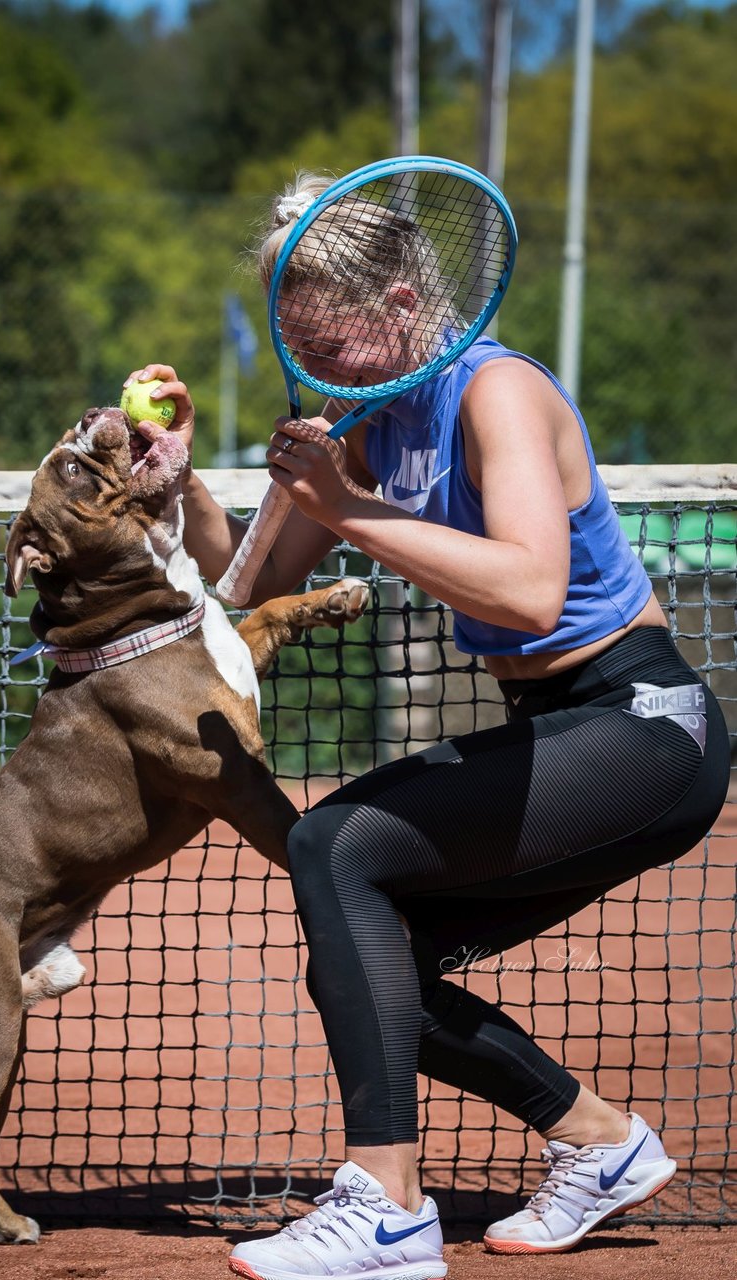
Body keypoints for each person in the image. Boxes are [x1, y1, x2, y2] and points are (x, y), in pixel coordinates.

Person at [125, 170, 730, 1280]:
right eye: (293, 341)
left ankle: (387, 1208)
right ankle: (600, 1142)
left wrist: (347, 507)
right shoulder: (367, 422)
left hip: (643, 724)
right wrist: (180, 489)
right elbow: (243, 583)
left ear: (401, 305)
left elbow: (530, 593)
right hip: (557, 725)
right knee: (368, 959)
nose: (315, 368)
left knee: (331, 839)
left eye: (332, 340)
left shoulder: (493, 391)